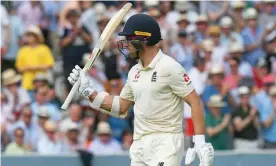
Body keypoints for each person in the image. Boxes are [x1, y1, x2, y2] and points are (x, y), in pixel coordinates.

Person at [68, 14, 214, 166]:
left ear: (144, 39)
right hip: (139, 144)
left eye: (129, 39)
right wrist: (88, 92)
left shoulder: (169, 67)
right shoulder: (134, 72)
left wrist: (199, 142)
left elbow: (195, 101)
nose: (126, 44)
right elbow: (120, 107)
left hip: (166, 143)